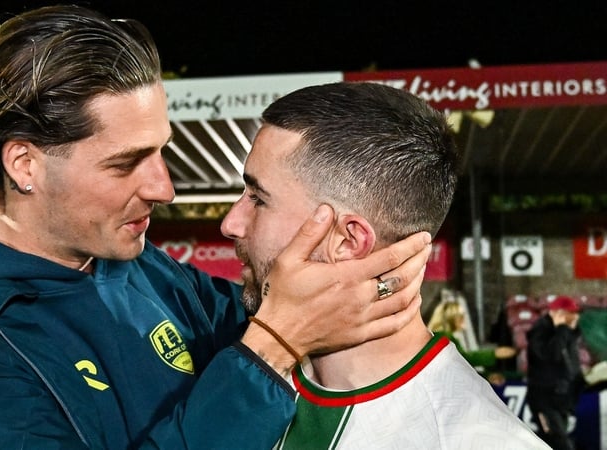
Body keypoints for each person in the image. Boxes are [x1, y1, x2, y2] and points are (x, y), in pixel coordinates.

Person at [0, 5, 432, 450]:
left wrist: (358, 285)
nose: (163, 188)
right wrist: (273, 347)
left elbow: (271, 311)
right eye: (126, 162)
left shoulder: (137, 267)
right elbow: (270, 336)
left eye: (160, 152)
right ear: (25, 165)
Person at [220, 81, 549, 449]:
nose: (230, 223)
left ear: (348, 241)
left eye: (258, 199)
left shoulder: (475, 439)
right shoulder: (239, 370)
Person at [526, 295, 585, 450]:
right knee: (557, 440)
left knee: (553, 440)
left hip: (562, 397)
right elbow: (553, 355)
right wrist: (562, 329)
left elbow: (571, 365)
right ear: (558, 313)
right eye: (571, 313)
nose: (575, 317)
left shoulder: (567, 333)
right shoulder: (540, 331)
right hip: (543, 398)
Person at [427, 295, 517, 384]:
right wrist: (492, 354)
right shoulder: (444, 338)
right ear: (452, 318)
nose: (464, 320)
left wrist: (486, 376)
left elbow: (461, 367)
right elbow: (464, 359)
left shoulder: (439, 337)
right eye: (461, 316)